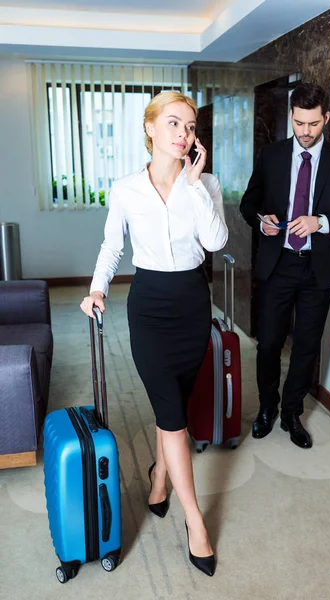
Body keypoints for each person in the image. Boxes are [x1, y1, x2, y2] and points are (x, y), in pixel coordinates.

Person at [80, 91, 228, 576]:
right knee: (172, 414)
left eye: (189, 126)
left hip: (191, 303)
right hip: (148, 308)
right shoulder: (125, 189)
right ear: (149, 129)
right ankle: (196, 524)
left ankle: (160, 475)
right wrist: (97, 288)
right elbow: (111, 246)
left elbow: (215, 242)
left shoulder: (206, 183)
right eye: (173, 123)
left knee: (175, 410)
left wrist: (194, 186)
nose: (183, 134)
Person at [240, 82, 330, 449]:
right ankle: (268, 407)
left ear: (326, 118)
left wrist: (321, 222)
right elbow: (248, 204)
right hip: (277, 264)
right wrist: (261, 219)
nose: (306, 132)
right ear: (292, 118)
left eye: (313, 124)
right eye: (299, 123)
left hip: (319, 269)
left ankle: (291, 412)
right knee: (268, 344)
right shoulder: (272, 155)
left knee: (307, 345)